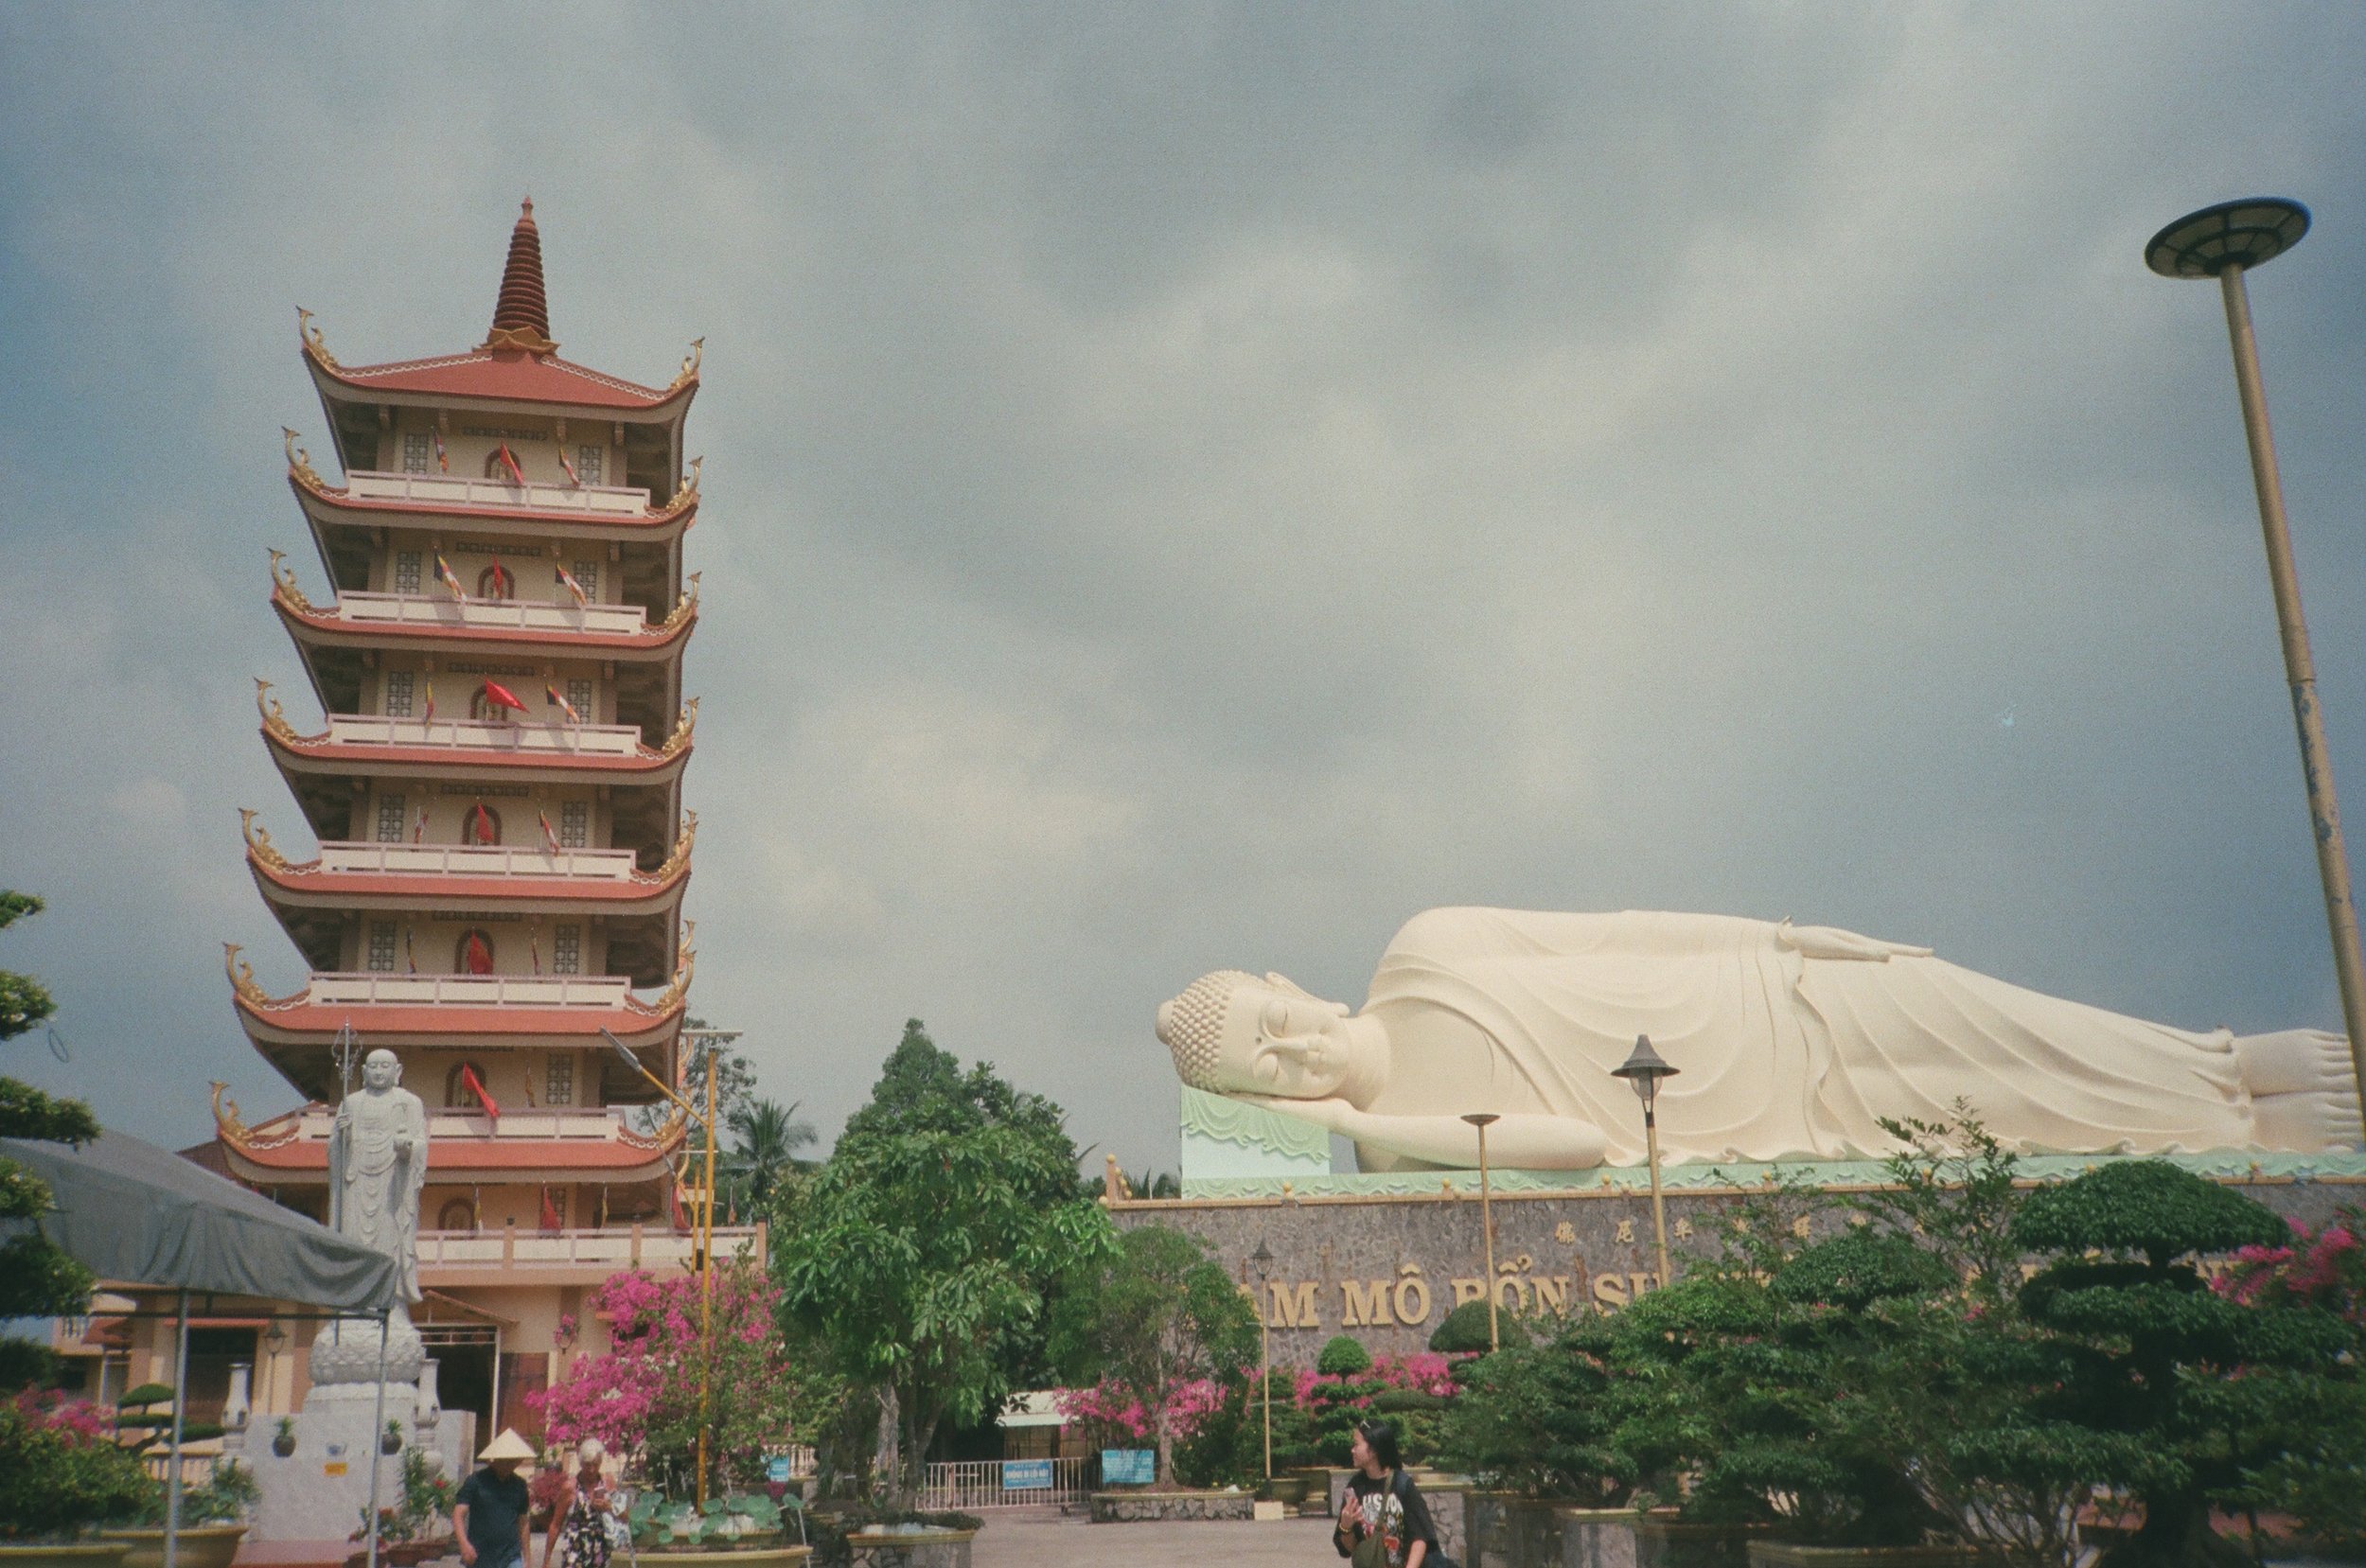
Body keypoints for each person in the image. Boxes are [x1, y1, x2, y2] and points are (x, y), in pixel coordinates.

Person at [1157, 907, 2360, 1169]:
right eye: (1267, 1069)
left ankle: (2226, 1065)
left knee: (2003, 1024)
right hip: (1759, 1117)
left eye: (1276, 1023)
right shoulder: (1396, 1145)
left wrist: (1781, 934)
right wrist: (1357, 1119)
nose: (1295, 1052)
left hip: (1760, 997)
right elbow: (1578, 1145)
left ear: (1287, 983)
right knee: (1999, 1116)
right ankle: (2238, 1127)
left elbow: (1619, 931)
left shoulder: (1424, 947)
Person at [1334, 1419, 1436, 1568]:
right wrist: (1345, 1526)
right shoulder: (1355, 1487)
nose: (1352, 1450)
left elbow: (1420, 1538)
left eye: (1356, 1445)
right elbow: (1348, 1549)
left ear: (1374, 1450)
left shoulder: (1402, 1485)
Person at [453, 1429, 537, 1568]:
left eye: (513, 1461)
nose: (509, 1465)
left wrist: (527, 1558)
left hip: (511, 1555)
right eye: (506, 1461)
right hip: (481, 1556)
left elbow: (523, 1522)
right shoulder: (476, 1481)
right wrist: (463, 1544)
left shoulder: (519, 1485)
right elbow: (458, 1513)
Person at [542, 1436, 614, 1568]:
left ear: (600, 1462)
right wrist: (546, 1560)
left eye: (595, 1464)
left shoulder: (607, 1483)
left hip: (600, 1550)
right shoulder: (570, 1488)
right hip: (575, 1550)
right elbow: (556, 1524)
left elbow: (625, 1515)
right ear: (581, 1463)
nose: (592, 1469)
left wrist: (609, 1507)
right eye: (588, 1465)